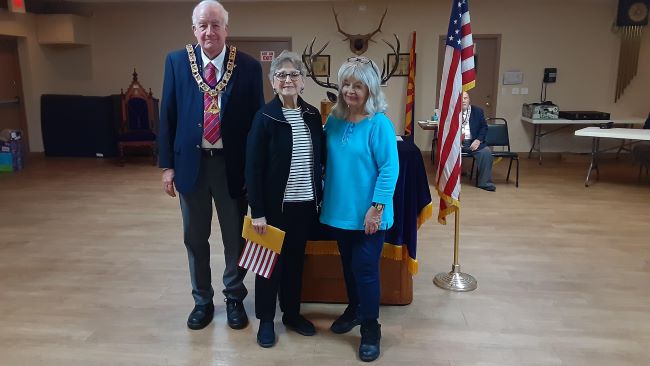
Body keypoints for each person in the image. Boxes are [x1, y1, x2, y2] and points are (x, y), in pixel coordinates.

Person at [158, 0, 264, 331]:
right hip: (191, 165)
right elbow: (167, 116)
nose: (209, 31)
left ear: (226, 29)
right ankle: (202, 300)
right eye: (203, 25)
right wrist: (167, 166)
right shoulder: (176, 62)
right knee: (194, 236)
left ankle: (234, 297)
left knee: (236, 238)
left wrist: (255, 170)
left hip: (231, 166)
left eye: (216, 25)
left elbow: (256, 122)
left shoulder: (247, 66)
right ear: (194, 30)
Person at [319, 57, 399, 362]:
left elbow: (389, 169)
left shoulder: (379, 123)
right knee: (349, 266)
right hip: (340, 211)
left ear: (370, 89)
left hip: (370, 214)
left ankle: (370, 328)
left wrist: (376, 209)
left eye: (358, 85)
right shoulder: (334, 121)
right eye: (346, 84)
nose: (350, 90)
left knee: (365, 269)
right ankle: (354, 309)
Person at [245, 51, 324, 348]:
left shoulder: (313, 115)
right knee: (268, 266)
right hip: (273, 210)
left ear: (303, 82)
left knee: (294, 264)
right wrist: (258, 212)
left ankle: (291, 314)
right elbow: (252, 168)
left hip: (305, 206)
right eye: (281, 75)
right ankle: (266, 320)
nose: (287, 80)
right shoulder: (264, 116)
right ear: (273, 83)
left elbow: (321, 159)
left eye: (293, 75)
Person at [461, 91, 496, 191]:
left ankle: (484, 183)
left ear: (469, 100)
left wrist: (478, 140)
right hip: (456, 142)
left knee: (486, 152)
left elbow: (484, 128)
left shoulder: (477, 111)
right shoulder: (452, 111)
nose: (463, 100)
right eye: (461, 98)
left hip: (473, 141)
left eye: (465, 98)